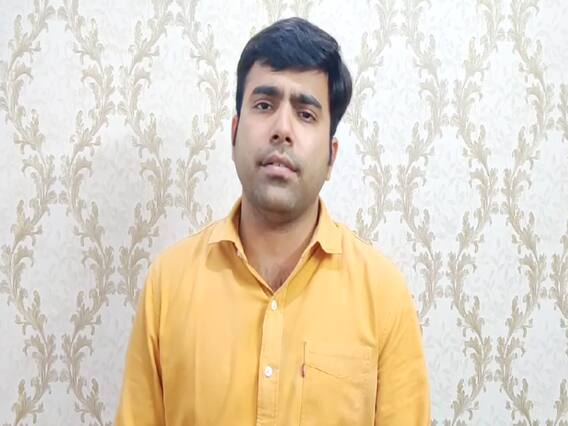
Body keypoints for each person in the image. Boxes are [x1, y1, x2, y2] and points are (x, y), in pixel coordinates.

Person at [115, 17, 430, 426]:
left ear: (331, 156)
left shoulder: (384, 296)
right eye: (264, 105)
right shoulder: (169, 284)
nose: (282, 129)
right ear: (234, 134)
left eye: (306, 114)